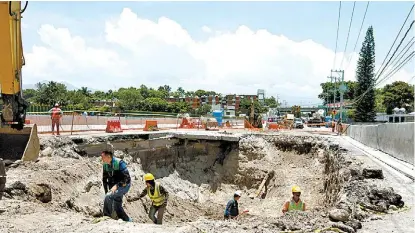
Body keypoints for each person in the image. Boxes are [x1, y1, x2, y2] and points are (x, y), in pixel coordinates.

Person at [101, 150, 132, 222]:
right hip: (114, 186)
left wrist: (116, 186)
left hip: (124, 185)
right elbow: (104, 180)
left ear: (108, 156)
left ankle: (106, 216)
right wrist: (106, 190)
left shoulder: (120, 163)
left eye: (103, 157)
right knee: (117, 206)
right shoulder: (105, 165)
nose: (102, 159)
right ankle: (128, 221)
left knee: (108, 196)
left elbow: (127, 179)